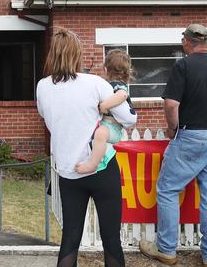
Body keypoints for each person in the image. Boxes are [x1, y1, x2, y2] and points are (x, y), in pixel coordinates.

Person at [36, 29, 136, 267]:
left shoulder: (42, 87)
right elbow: (130, 119)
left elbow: (46, 117)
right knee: (111, 238)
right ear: (77, 55)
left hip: (69, 171)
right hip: (102, 169)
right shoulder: (95, 83)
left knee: (70, 238)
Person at [139, 24, 207, 267]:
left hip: (190, 136)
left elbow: (171, 105)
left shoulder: (183, 65)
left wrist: (172, 129)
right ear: (206, 41)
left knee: (168, 190)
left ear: (186, 41)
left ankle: (166, 249)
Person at [75, 49, 135, 174]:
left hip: (113, 127)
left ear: (106, 70)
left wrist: (104, 106)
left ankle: (93, 164)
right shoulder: (107, 85)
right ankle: (98, 158)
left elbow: (122, 95)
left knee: (101, 133)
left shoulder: (119, 85)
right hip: (107, 124)